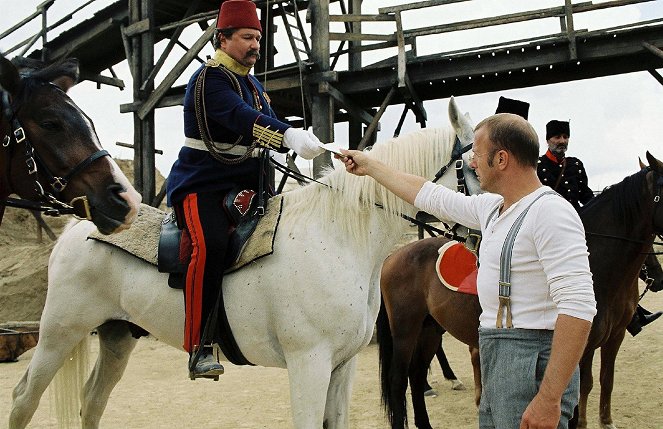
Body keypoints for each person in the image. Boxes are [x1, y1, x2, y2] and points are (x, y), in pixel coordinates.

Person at [339, 113, 596, 429]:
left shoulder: (552, 213)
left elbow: (579, 308)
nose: (472, 162)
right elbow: (429, 194)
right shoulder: (492, 208)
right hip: (496, 354)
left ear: (501, 159)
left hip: (531, 360)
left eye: (476, 153)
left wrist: (549, 399)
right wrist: (371, 167)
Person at [166, 0, 324, 380]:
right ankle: (199, 346)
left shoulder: (251, 82)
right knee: (211, 244)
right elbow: (242, 118)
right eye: (247, 37)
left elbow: (266, 119)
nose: (256, 45)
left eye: (258, 38)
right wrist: (286, 135)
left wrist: (297, 133)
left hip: (247, 186)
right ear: (223, 38)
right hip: (201, 185)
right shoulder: (210, 79)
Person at [538, 120, 661, 335]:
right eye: (557, 137)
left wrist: (606, 199)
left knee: (625, 250)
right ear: (548, 139)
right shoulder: (539, 166)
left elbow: (585, 194)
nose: (562, 141)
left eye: (565, 137)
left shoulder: (575, 164)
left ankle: (632, 311)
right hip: (554, 227)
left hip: (581, 223)